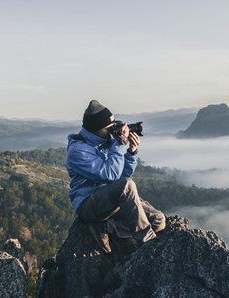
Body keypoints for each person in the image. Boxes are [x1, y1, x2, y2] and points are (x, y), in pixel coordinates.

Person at [66, 100, 166, 253]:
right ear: (96, 129)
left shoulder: (106, 142)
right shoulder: (78, 151)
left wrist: (131, 153)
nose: (113, 131)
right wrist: (118, 144)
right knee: (127, 185)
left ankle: (109, 227)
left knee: (158, 220)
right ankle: (147, 243)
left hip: (110, 201)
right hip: (89, 204)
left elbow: (121, 176)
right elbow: (111, 176)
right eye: (109, 128)